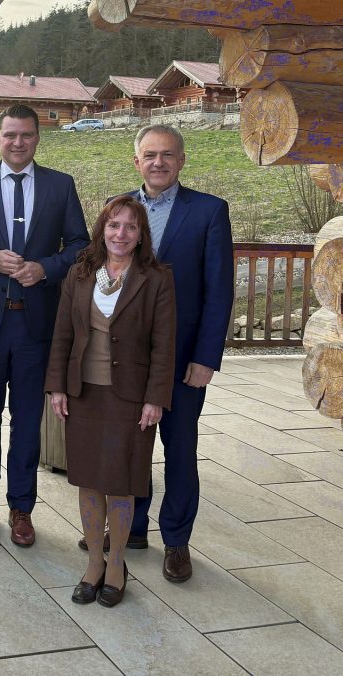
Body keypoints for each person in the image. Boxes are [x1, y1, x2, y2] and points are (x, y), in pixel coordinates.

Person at [0, 104, 89, 546]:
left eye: (26, 135)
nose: (18, 142)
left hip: (36, 328)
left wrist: (46, 269)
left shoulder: (60, 186)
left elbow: (80, 246)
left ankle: (21, 508)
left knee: (27, 421)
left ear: (38, 137)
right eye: (10, 134)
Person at [112, 124, 233, 582]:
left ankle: (177, 540)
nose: (158, 162)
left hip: (184, 361)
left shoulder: (208, 212)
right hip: (127, 361)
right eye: (149, 155)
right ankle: (133, 528)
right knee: (131, 448)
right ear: (136, 161)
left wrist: (206, 357)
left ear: (182, 160)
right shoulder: (119, 209)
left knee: (179, 449)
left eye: (167, 155)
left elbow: (218, 292)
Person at [46, 196, 176, 607]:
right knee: (88, 482)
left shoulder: (156, 278)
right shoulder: (81, 273)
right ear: (102, 229)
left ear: (141, 236)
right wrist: (58, 387)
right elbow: (63, 334)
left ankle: (117, 564)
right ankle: (94, 564)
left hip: (131, 398)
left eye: (131, 227)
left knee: (121, 485)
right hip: (84, 392)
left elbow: (163, 345)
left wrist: (155, 398)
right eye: (114, 225)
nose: (121, 234)